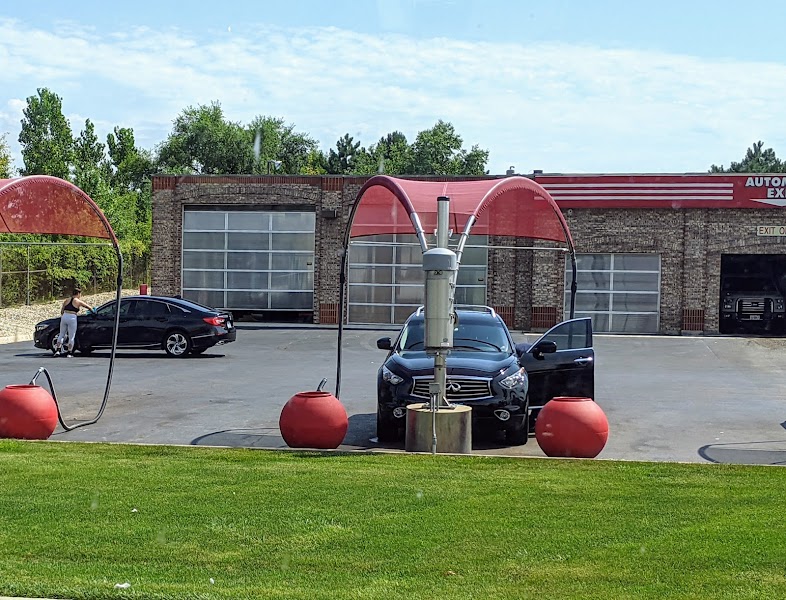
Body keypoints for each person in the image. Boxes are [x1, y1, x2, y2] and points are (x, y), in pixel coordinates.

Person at [54, 288, 94, 357]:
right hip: (72, 317)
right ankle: (70, 352)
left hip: (64, 316)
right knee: (71, 336)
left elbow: (62, 310)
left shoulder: (67, 300)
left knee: (61, 334)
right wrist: (93, 311)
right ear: (78, 293)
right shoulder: (78, 301)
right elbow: (88, 307)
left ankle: (57, 350)